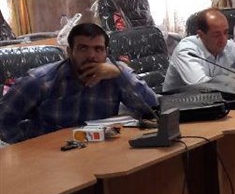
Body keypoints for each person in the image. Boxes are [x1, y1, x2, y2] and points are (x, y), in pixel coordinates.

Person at [0, 22, 158, 143]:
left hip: (99, 151)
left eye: (98, 49)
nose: (91, 56)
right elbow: (3, 120)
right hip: (52, 159)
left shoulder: (115, 74)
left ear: (106, 52)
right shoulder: (40, 80)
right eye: (83, 48)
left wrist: (120, 75)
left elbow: (152, 109)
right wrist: (27, 148)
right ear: (70, 52)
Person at [164, 9, 235, 96]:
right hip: (178, 107)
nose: (223, 39)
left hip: (214, 103)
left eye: (225, 32)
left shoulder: (229, 46)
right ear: (201, 35)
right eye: (216, 35)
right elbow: (202, 86)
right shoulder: (186, 51)